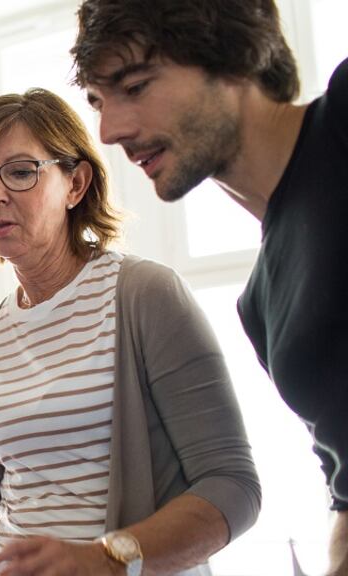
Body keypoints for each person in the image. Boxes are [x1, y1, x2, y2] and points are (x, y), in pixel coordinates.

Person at [71, 0, 348, 569]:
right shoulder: (262, 304)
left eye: (136, 86)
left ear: (232, 59)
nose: (110, 130)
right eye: (98, 102)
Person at [0, 89, 260, 575]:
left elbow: (233, 487)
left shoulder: (145, 296)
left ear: (76, 184)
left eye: (21, 171)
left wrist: (107, 559)